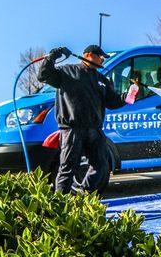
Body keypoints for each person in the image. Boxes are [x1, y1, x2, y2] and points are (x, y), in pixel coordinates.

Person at [37, 44, 135, 194]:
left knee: (101, 165)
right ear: (88, 55)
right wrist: (53, 56)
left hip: (94, 130)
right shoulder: (67, 71)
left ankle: (85, 196)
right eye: (100, 56)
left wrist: (127, 96)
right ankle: (59, 204)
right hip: (72, 129)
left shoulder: (102, 79)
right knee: (68, 168)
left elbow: (113, 102)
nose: (102, 60)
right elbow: (43, 75)